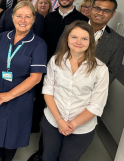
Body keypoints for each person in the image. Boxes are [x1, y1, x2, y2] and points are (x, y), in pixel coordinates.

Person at [28, 0, 89, 161]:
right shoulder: (49, 17)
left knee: (64, 107)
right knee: (45, 108)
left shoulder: (81, 20)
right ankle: (43, 151)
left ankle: (61, 150)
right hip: (47, 67)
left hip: (69, 71)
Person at [0, 1, 47, 161]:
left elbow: (36, 78)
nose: (23, 20)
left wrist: (9, 95)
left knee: (12, 133)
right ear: (12, 18)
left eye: (28, 16)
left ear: (34, 19)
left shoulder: (39, 44)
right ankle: (0, 157)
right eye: (19, 15)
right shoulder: (3, 37)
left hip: (19, 97)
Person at [42, 21, 109, 161]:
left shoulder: (100, 69)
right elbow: (48, 91)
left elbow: (96, 105)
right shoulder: (55, 61)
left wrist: (72, 124)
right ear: (67, 39)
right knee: (49, 157)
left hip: (81, 128)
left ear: (91, 41)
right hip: (53, 121)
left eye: (84, 38)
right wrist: (59, 120)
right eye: (74, 37)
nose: (78, 42)